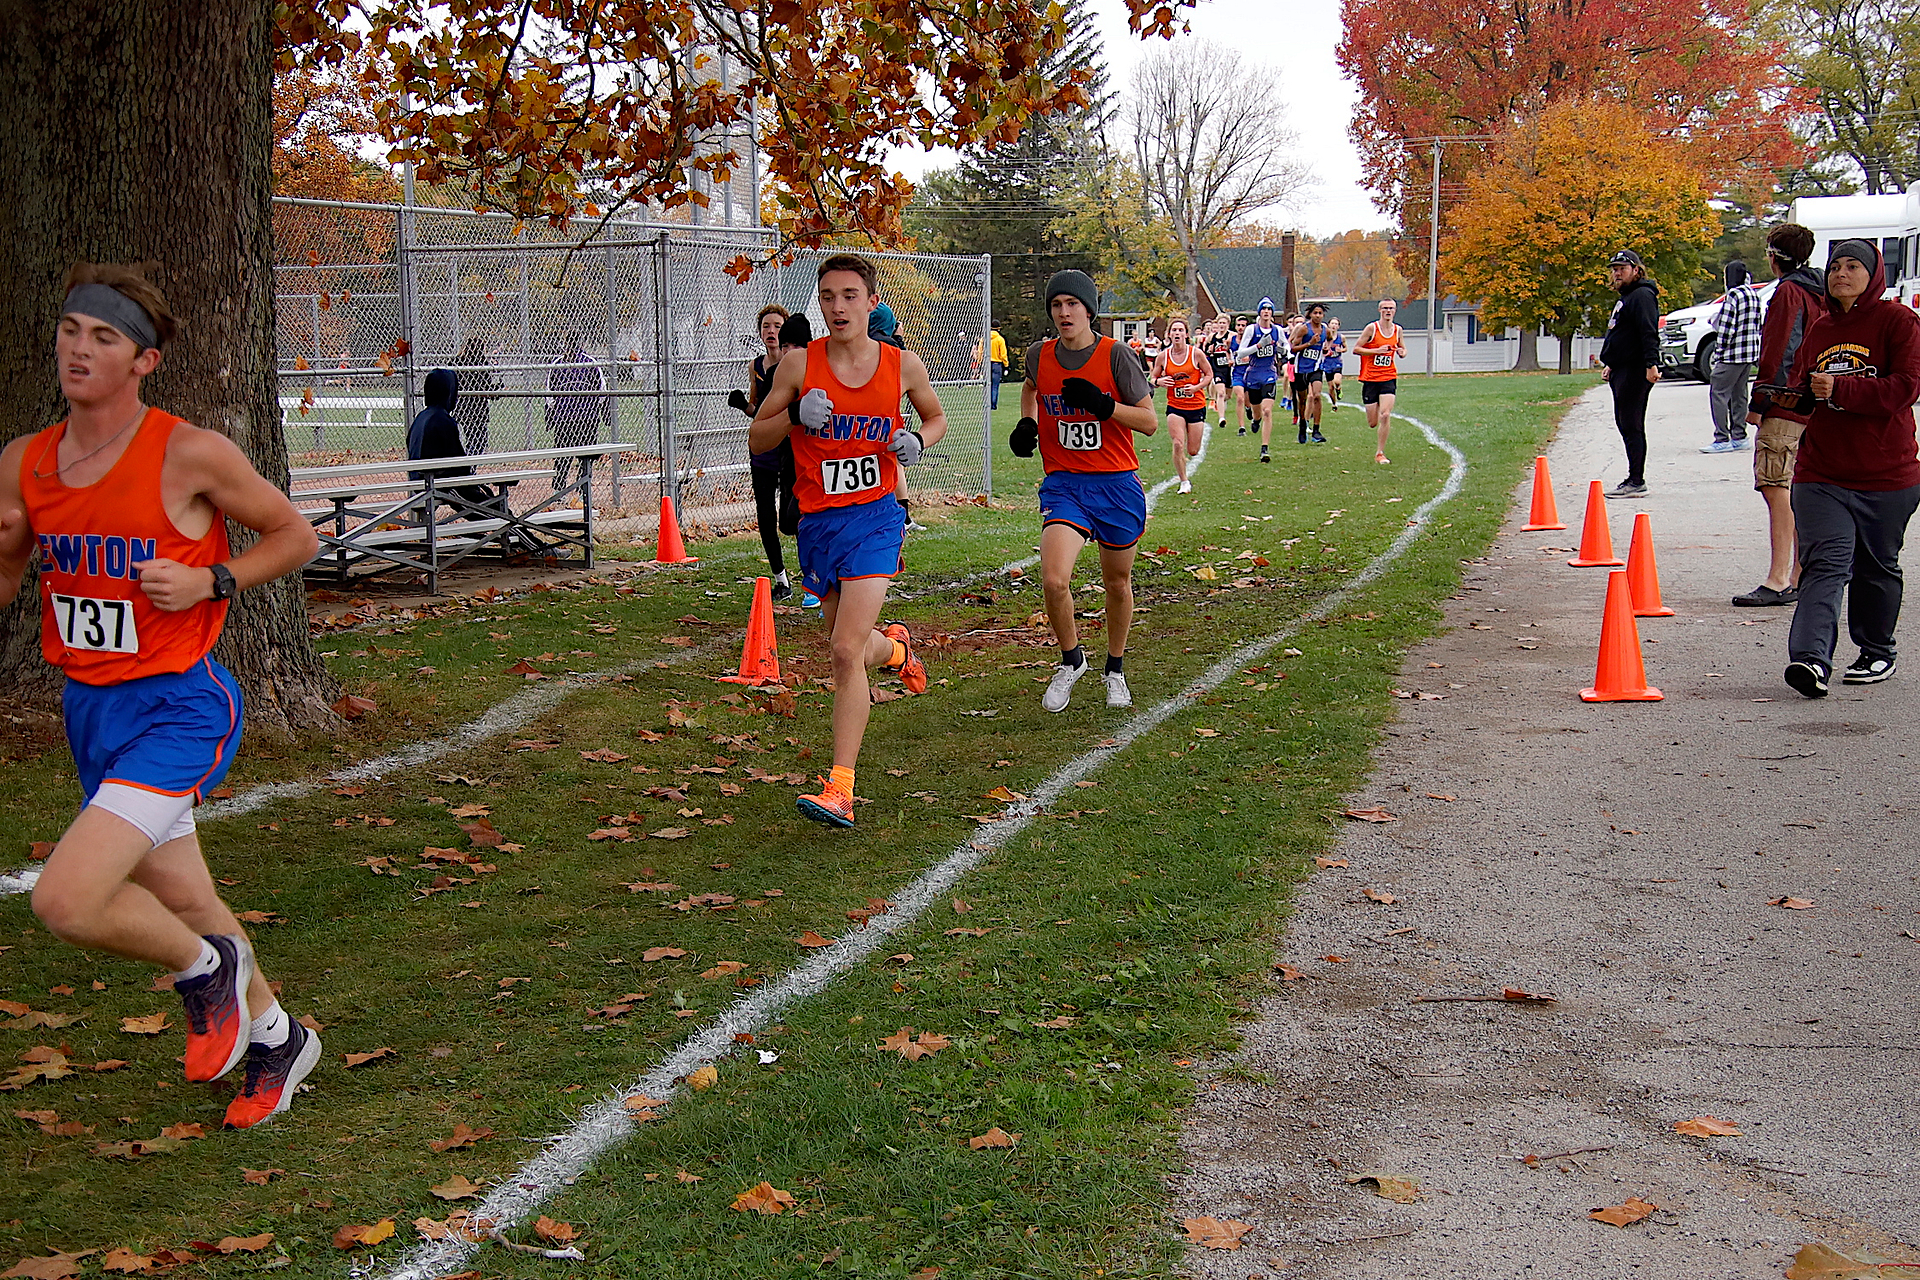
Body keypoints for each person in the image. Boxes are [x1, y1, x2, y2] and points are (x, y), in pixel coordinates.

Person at [0, 263, 323, 1129]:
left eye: (104, 337)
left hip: (179, 705)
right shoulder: (24, 463)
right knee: (189, 900)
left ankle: (203, 969)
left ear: (143, 361)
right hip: (90, 709)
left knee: (65, 900)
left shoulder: (188, 453)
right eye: (71, 330)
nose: (79, 349)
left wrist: (212, 579)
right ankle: (280, 1037)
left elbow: (294, 535)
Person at [748, 255, 945, 828]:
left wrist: (918, 441)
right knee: (854, 648)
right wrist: (794, 417)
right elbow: (757, 438)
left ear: (870, 301)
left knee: (841, 650)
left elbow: (935, 418)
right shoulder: (798, 365)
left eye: (850, 295)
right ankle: (898, 652)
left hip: (876, 519)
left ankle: (841, 788)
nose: (838, 307)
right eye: (828, 296)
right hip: (819, 524)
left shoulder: (901, 364)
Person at [1765, 240, 1920, 697]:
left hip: (1886, 474)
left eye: (1853, 266)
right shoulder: (1821, 327)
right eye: (1835, 266)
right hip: (1822, 473)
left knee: (1876, 567)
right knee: (1824, 564)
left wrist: (1840, 390)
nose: (1841, 274)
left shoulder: (1899, 321)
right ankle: (1811, 660)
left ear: (1873, 275)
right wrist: (1790, 396)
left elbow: (1906, 387)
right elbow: (1807, 386)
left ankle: (1876, 651)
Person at [1010, 269, 1157, 712]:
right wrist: (1028, 422)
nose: (1064, 312)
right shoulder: (1039, 355)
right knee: (1054, 579)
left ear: (1089, 310)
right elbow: (1031, 388)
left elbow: (1149, 422)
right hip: (1066, 484)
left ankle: (1115, 668)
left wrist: (1104, 405)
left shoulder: (1116, 356)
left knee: (1117, 582)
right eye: (1056, 305)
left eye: (1072, 304)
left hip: (1116, 484)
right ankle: (1072, 661)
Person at [1734, 223, 1824, 607]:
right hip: (1814, 405)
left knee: (1776, 486)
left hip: (1786, 403)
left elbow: (1779, 348)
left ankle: (1778, 579)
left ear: (1775, 257)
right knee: (1799, 488)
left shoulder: (1788, 292)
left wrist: (1759, 402)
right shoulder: (1821, 290)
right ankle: (1801, 573)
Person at [728, 305, 806, 603]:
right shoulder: (757, 367)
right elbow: (759, 412)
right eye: (766, 326)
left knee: (791, 517)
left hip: (792, 449)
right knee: (765, 513)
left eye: (777, 326)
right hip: (764, 450)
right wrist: (743, 406)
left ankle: (811, 573)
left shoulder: (799, 366)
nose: (771, 332)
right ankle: (781, 580)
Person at [1598, 250, 1662, 497]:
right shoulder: (1627, 297)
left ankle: (1636, 480)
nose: (1617, 273)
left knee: (1632, 424)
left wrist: (1651, 364)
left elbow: (1648, 332)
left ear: (1636, 270)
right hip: (1622, 368)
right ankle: (1633, 477)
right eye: (1614, 269)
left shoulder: (1643, 296)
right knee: (1624, 423)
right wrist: (1612, 363)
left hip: (1635, 370)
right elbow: (1622, 335)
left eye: (1622, 269)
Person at [867, 301, 927, 534]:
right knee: (894, 462)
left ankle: (896, 516)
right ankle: (902, 516)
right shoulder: (887, 345)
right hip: (880, 418)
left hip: (865, 419)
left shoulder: (861, 343)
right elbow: (902, 362)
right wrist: (899, 338)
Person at [1703, 260, 1762, 454]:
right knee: (1739, 394)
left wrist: (1719, 351)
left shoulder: (1733, 295)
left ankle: (1721, 438)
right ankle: (1740, 435)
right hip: (1748, 354)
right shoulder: (1753, 294)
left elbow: (1726, 328)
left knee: (1718, 394)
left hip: (1731, 354)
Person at [546, 332, 609, 494]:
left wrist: (554, 414)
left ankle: (561, 491)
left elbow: (549, 396)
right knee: (581, 458)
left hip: (568, 419)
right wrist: (595, 410)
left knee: (565, 457)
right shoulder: (588, 362)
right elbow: (602, 393)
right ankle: (580, 491)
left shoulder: (563, 363)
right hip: (584, 418)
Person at [1153, 316, 1209, 494]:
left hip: (1196, 405)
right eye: (1174, 330)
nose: (1177, 333)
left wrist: (1196, 387)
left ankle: (1186, 464)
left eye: (1180, 330)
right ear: (1169, 334)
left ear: (1186, 334)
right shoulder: (1163, 356)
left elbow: (1209, 374)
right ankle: (1184, 481)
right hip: (1175, 406)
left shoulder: (1196, 354)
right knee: (1178, 443)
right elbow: (1151, 378)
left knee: (1193, 450)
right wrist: (1159, 381)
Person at [1352, 298, 1407, 464]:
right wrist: (1377, 351)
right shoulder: (1372, 328)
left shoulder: (1398, 330)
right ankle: (1373, 411)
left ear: (1395, 311)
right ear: (1379, 310)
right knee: (1372, 422)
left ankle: (1380, 452)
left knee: (1385, 414)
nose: (1388, 311)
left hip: (1388, 377)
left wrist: (1402, 352)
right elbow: (1356, 349)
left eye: (1391, 308)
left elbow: (1402, 347)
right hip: (1370, 379)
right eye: (1385, 308)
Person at [1239, 298, 1286, 463]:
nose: (1266, 311)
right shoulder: (1251, 330)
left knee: (1267, 411)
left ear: (1272, 313)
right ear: (1259, 312)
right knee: (1257, 411)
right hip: (1253, 374)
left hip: (1269, 374)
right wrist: (1258, 346)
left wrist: (1283, 350)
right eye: (1263, 309)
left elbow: (1286, 346)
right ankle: (1255, 419)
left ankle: (1264, 448)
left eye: (1269, 309)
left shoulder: (1277, 330)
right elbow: (1241, 353)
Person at [1290, 302, 1332, 445]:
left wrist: (1326, 348)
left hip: (1316, 367)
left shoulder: (1325, 330)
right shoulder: (1304, 329)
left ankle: (1316, 430)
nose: (1318, 316)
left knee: (1317, 395)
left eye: (1320, 313)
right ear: (1310, 314)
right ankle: (1302, 424)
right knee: (1302, 400)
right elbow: (1293, 348)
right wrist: (1310, 343)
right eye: (1315, 313)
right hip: (1301, 368)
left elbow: (1330, 339)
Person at [452, 334, 497, 457]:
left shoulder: (457, 361)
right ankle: (469, 463)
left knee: (472, 438)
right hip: (476, 409)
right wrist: (496, 390)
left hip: (461, 407)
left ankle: (467, 461)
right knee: (478, 441)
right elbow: (485, 387)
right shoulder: (481, 362)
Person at [1229, 315, 1251, 437]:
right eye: (1238, 325)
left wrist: (1249, 358)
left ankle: (1249, 409)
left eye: (1243, 325)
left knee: (1249, 400)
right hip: (1237, 373)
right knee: (1240, 398)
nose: (1241, 328)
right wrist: (1229, 360)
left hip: (1250, 373)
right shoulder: (1231, 340)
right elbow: (1227, 351)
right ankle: (1241, 427)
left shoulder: (1251, 340)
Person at [1323, 316, 1347, 406]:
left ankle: (1339, 388)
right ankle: (1334, 404)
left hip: (1337, 362)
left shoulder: (1341, 337)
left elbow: (1345, 348)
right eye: (1332, 323)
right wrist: (1325, 351)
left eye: (1336, 324)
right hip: (1327, 363)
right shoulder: (1325, 337)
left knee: (1337, 381)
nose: (1334, 325)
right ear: (1328, 325)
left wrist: (1341, 350)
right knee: (1330, 387)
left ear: (1338, 326)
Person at [986, 323, 1008, 411]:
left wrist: (980, 362)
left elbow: (980, 351)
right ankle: (993, 404)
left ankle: (987, 403)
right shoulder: (999, 339)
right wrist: (1006, 365)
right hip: (997, 363)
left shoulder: (985, 338)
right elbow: (1003, 354)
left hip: (987, 363)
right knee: (995, 386)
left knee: (987, 385)